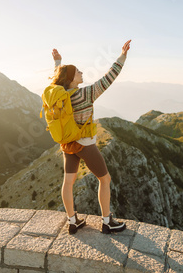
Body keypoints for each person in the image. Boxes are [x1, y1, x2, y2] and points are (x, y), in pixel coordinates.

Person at [49, 39, 131, 234]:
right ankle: (106, 221)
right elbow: (109, 77)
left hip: (68, 144)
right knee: (105, 179)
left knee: (68, 183)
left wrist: (58, 63)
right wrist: (123, 55)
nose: (81, 73)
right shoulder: (86, 94)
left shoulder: (60, 96)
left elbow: (59, 77)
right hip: (85, 144)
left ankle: (72, 221)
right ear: (71, 79)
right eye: (78, 72)